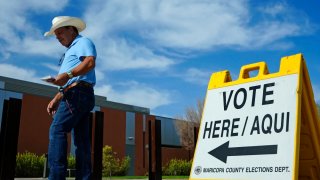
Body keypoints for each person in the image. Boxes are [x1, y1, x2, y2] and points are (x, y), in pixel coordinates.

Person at [44, 16, 97, 180]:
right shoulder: (70, 51)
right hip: (78, 93)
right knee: (81, 140)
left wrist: (67, 75)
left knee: (57, 129)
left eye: (60, 32)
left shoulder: (83, 42)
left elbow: (90, 62)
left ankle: (56, 177)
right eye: (56, 35)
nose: (58, 37)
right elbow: (70, 80)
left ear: (71, 29)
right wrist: (57, 98)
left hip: (78, 94)